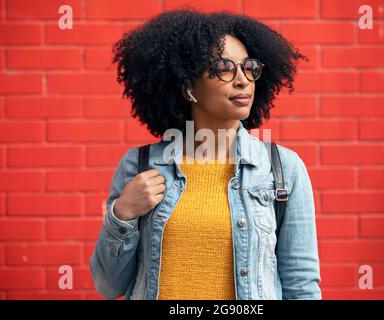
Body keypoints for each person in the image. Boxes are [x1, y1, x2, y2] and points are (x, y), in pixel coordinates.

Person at [90, 8, 321, 300]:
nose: (243, 80)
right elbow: (108, 287)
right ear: (188, 87)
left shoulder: (282, 169)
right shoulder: (140, 167)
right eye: (225, 68)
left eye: (248, 67)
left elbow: (301, 286)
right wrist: (122, 214)